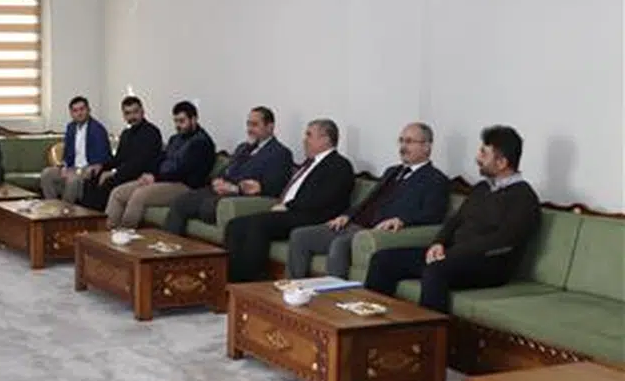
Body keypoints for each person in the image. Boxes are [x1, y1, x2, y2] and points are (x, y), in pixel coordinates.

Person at [365, 126, 541, 314]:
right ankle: (371, 318)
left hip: (490, 264)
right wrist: (438, 243)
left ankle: (430, 332)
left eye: (484, 153)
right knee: (383, 260)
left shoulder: (524, 197)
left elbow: (502, 240)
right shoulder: (482, 188)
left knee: (435, 270)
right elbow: (455, 220)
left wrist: (453, 253)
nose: (478, 158)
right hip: (454, 255)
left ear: (502, 162)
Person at [287, 123, 450, 279]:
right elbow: (368, 200)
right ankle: (293, 289)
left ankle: (333, 295)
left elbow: (433, 215)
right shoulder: (393, 171)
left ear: (426, 146)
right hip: (354, 224)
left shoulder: (435, 180)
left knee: (340, 244)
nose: (403, 147)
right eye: (401, 141)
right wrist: (347, 215)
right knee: (300, 236)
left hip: (376, 232)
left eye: (409, 141)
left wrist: (403, 220)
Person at [223, 118, 355, 282]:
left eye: (309, 135)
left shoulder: (339, 165)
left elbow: (322, 199)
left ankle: (252, 281)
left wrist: (288, 206)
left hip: (312, 217)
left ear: (325, 139)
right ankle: (231, 279)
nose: (304, 140)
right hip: (293, 212)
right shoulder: (310, 163)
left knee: (257, 226)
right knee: (235, 225)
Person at [163, 106, 293, 235]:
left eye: (254, 125)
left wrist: (236, 189)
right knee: (180, 201)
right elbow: (226, 169)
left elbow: (273, 187)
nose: (249, 129)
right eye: (248, 124)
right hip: (220, 191)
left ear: (270, 127)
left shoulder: (280, 153)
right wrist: (218, 180)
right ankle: (170, 245)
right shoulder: (243, 147)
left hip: (239, 197)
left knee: (206, 207)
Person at [106, 101, 215, 229]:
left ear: (194, 119)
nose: (178, 125)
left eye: (182, 121)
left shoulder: (202, 143)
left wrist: (156, 178)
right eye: (176, 121)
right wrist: (150, 174)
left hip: (184, 185)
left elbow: (182, 171)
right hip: (163, 180)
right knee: (118, 193)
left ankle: (126, 234)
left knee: (139, 195)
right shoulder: (175, 139)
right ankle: (107, 233)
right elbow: (160, 159)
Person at [79, 96, 163, 212]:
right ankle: (86, 216)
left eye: (135, 112)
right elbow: (118, 159)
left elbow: (140, 163)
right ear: (124, 115)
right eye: (128, 113)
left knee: (108, 183)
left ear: (142, 112)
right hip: (125, 172)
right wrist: (101, 166)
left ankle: (98, 218)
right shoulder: (126, 133)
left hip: (140, 175)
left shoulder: (151, 132)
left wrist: (115, 173)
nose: (132, 116)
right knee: (92, 177)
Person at [39, 96, 109, 203]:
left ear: (88, 110)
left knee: (72, 180)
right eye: (75, 111)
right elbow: (67, 154)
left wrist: (78, 172)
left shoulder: (98, 130)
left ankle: (65, 210)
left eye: (82, 109)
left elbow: (100, 162)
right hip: (72, 168)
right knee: (47, 173)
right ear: (71, 113)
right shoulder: (71, 127)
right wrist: (64, 166)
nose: (79, 113)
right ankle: (53, 205)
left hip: (87, 170)